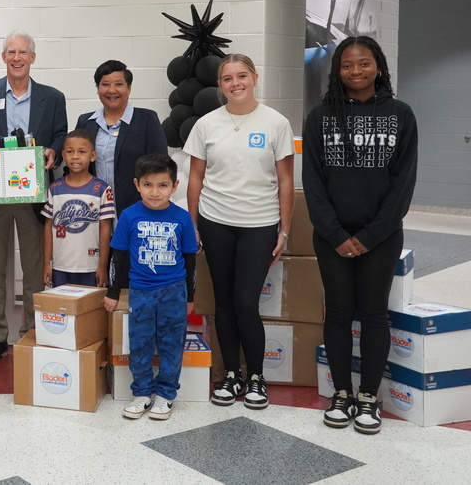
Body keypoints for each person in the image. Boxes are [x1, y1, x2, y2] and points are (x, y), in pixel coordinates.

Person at [303, 36, 418, 435]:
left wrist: (370, 236)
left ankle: (368, 397)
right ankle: (341, 394)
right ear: (337, 71)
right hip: (331, 235)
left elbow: (403, 184)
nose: (356, 71)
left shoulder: (401, 114)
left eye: (364, 63)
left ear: (379, 67)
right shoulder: (321, 116)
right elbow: (313, 182)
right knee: (336, 314)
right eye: (348, 65)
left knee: (373, 315)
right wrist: (335, 233)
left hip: (381, 237)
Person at [183, 53, 293, 410]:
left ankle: (257, 376)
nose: (235, 84)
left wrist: (284, 231)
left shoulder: (276, 122)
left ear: (255, 77)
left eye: (242, 76)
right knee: (225, 304)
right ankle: (232, 374)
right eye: (228, 78)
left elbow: (286, 180)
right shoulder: (207, 124)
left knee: (246, 302)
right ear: (220, 85)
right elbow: (196, 178)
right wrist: (194, 224)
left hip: (259, 225)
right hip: (216, 222)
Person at [0, 31, 67, 366]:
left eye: (22, 52)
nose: (16, 57)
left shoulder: (53, 97)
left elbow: (59, 135)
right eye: (10, 51)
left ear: (32, 58)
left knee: (35, 269)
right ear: (3, 57)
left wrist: (54, 149)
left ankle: (31, 333)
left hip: (34, 194)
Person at [105, 153, 198, 420]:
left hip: (174, 291)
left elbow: (190, 260)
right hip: (140, 292)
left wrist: (190, 295)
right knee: (140, 343)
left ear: (174, 186)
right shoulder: (129, 216)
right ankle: (142, 393)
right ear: (137, 184)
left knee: (171, 343)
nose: (155, 192)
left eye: (162, 185)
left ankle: (166, 395)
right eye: (148, 185)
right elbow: (118, 257)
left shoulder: (182, 218)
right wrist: (113, 292)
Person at [75, 60, 167, 216]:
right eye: (105, 84)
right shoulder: (85, 122)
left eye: (119, 84)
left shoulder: (146, 119)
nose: (112, 90)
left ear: (129, 88)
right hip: (93, 209)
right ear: (97, 89)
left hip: (135, 209)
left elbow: (160, 165)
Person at [42, 130, 115, 288]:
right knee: (62, 310)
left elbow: (105, 228)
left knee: (90, 311)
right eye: (70, 152)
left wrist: (102, 266)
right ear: (63, 155)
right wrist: (47, 263)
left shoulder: (102, 189)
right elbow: (48, 226)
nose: (75, 156)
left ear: (93, 155)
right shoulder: (55, 188)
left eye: (82, 152)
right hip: (60, 266)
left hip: (90, 266)